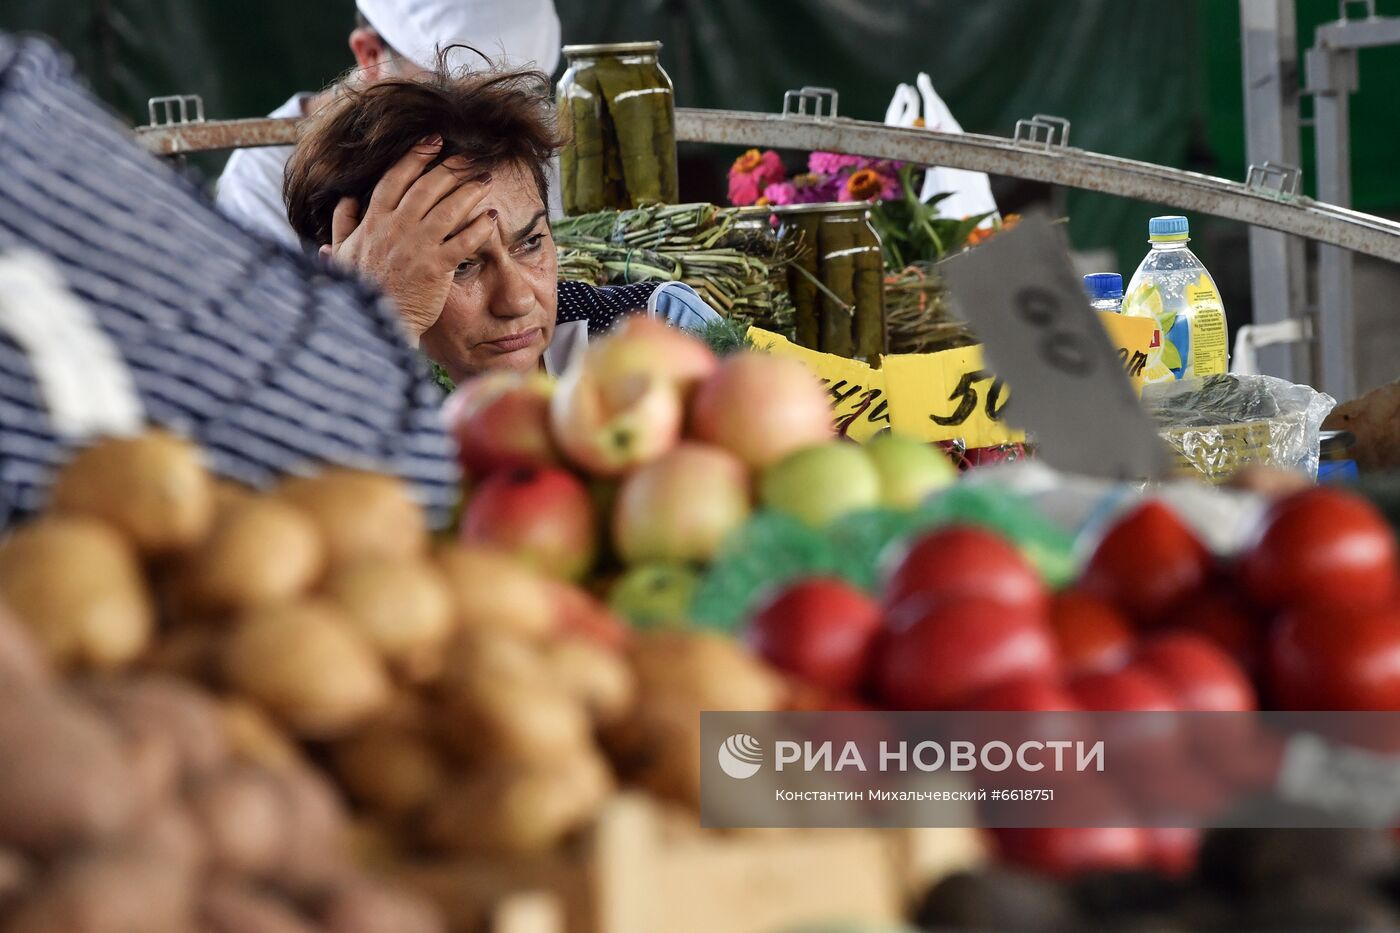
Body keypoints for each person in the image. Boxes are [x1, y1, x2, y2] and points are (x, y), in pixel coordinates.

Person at [284, 61, 720, 382]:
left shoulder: (659, 328)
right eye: (461, 265)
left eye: (530, 242)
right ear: (354, 270)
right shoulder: (308, 389)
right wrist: (375, 326)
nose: (517, 300)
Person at [216, 0, 561, 246]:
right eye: (453, 92)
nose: (492, 129)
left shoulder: (528, 132)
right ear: (369, 57)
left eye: (518, 97)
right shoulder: (261, 181)